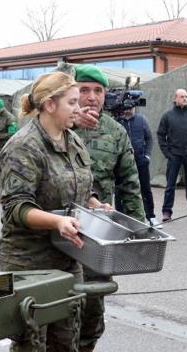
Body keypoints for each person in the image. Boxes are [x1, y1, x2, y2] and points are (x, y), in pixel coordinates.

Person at [0, 71, 110, 351]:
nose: (80, 107)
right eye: (72, 102)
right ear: (50, 104)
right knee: (32, 343)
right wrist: (57, 222)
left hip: (68, 257)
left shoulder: (71, 139)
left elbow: (79, 186)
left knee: (66, 341)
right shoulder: (24, 147)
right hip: (30, 263)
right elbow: (15, 207)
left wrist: (95, 204)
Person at [71, 64, 146, 352]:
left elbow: (129, 183)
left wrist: (139, 231)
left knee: (92, 310)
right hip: (53, 231)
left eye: (98, 91)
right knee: (55, 311)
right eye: (84, 89)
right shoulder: (55, 124)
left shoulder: (116, 132)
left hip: (96, 234)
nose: (91, 97)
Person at [157, 88, 187, 222]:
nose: (185, 99)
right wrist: (167, 153)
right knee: (170, 185)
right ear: (175, 99)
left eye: (186, 97)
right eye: (182, 97)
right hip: (174, 155)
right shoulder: (167, 116)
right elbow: (161, 135)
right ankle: (167, 212)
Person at [118, 105, 159, 226]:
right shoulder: (118, 121)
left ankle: (151, 216)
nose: (128, 110)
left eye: (131, 107)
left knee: (146, 189)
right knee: (121, 189)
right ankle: (121, 218)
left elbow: (149, 139)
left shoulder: (141, 120)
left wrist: (147, 156)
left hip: (141, 161)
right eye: (126, 107)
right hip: (123, 163)